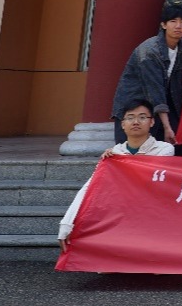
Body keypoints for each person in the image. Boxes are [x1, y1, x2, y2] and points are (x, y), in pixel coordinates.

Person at [58, 98, 173, 253]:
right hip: (119, 215)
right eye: (130, 117)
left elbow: (147, 175)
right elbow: (90, 188)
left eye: (142, 117)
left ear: (151, 122)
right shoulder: (113, 154)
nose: (136, 122)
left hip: (151, 214)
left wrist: (121, 161)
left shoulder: (164, 149)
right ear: (123, 124)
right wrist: (67, 224)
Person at [111, 5, 182, 155]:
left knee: (176, 146)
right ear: (163, 24)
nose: (178, 26)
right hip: (136, 104)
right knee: (132, 154)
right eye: (173, 21)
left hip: (164, 106)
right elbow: (155, 89)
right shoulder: (149, 50)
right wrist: (167, 127)